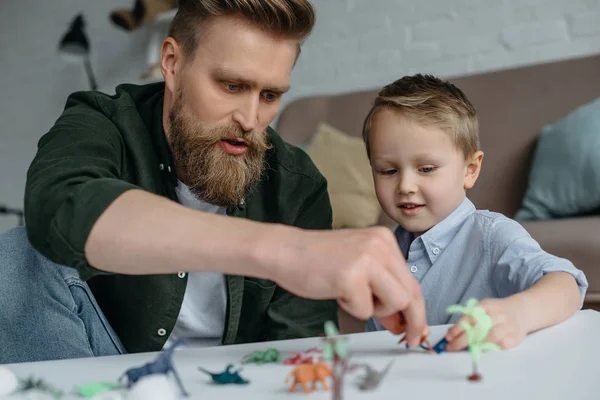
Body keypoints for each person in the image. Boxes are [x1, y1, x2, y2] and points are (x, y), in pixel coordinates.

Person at [0, 0, 427, 364]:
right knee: (17, 254)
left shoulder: (298, 184)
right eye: (231, 85)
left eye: (270, 96)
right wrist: (283, 251)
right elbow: (60, 206)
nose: (250, 118)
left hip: (234, 380)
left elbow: (296, 347)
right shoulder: (103, 122)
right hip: (105, 371)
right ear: (172, 62)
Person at [363, 74, 588, 351]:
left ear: (470, 170)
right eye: (388, 171)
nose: (406, 186)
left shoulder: (491, 235)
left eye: (426, 169)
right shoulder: (381, 251)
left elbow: (566, 285)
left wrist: (519, 313)